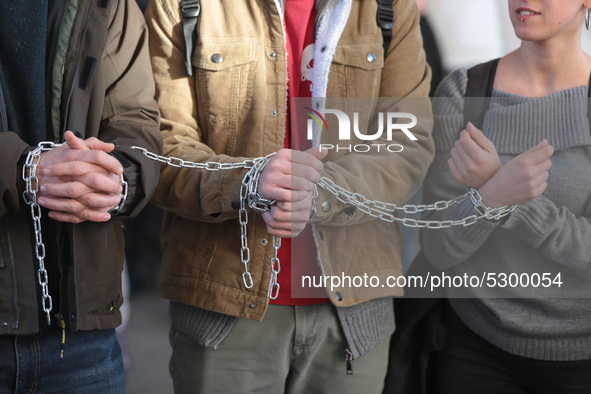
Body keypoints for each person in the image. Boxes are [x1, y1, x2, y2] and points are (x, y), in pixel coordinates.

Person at [145, 0, 434, 392]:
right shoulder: (182, 5)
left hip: (354, 311)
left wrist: (320, 195)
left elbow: (406, 140)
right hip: (224, 310)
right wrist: (246, 181)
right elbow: (159, 143)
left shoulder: (388, 6)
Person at [420, 0, 591, 392]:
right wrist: (491, 198)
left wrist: (507, 196)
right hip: (472, 347)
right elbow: (436, 246)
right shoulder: (464, 93)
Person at [0, 0, 162, 392]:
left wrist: (117, 176)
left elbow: (135, 118)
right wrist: (23, 170)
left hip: (82, 335)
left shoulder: (111, 6)